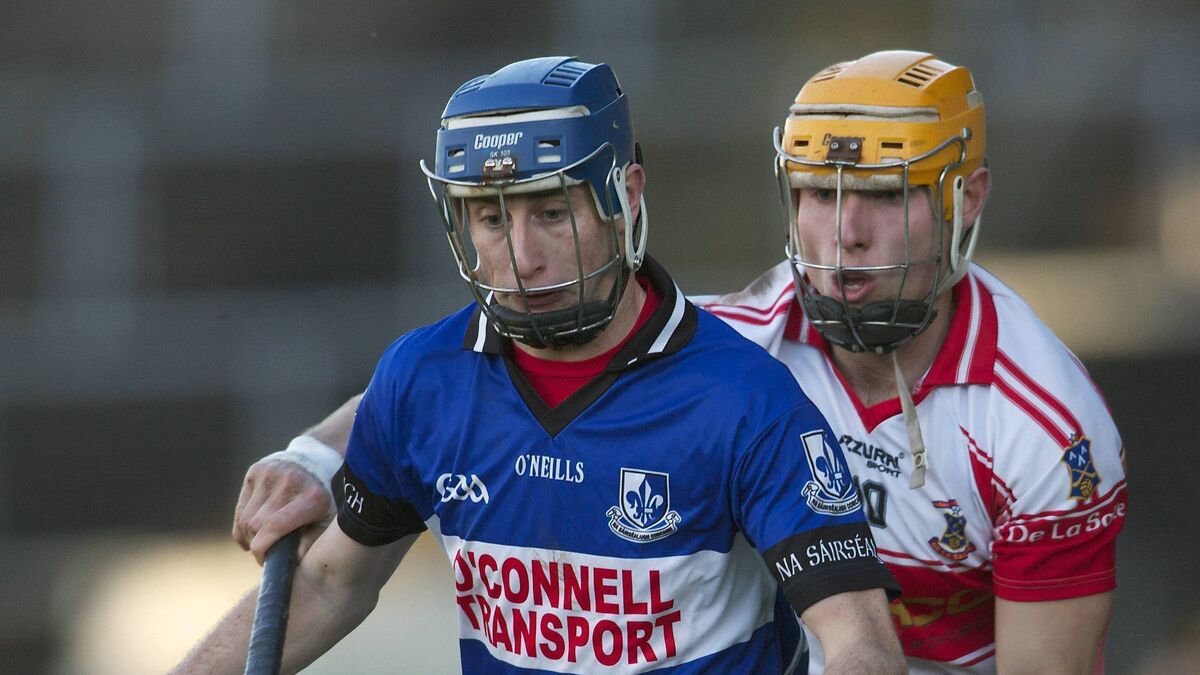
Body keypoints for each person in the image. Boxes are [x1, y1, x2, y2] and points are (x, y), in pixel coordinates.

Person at [230, 50, 1128, 674]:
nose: (845, 234)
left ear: (967, 201)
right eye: (818, 195)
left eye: (884, 198)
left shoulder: (1046, 431)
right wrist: (316, 454)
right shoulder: (746, 338)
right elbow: (435, 384)